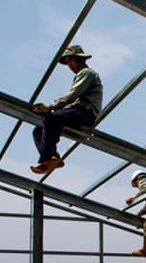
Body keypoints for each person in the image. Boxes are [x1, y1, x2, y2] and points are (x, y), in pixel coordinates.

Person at [30, 45, 103, 174]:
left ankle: (46, 159)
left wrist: (51, 107)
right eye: (68, 62)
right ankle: (53, 158)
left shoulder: (87, 73)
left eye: (71, 61)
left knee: (51, 118)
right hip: (77, 111)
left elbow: (73, 94)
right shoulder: (81, 75)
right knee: (38, 129)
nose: (69, 65)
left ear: (80, 60)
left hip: (85, 112)